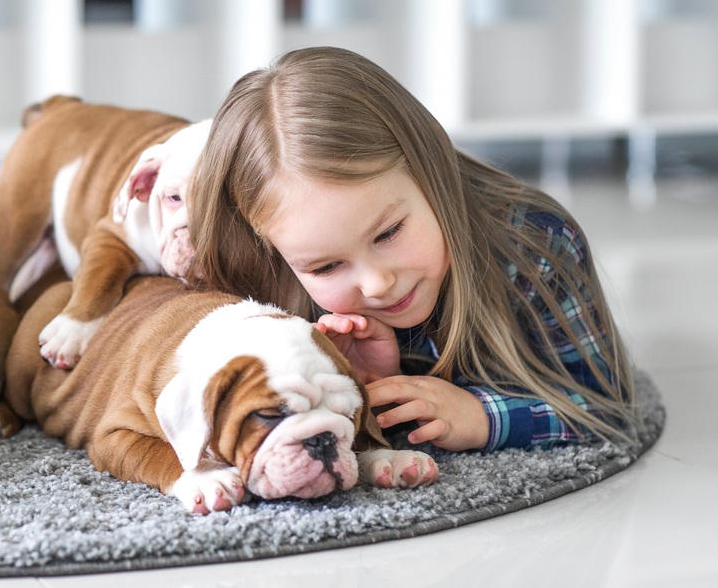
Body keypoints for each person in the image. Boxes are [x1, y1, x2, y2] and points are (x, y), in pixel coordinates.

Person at [189, 46, 639, 453]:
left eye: (387, 234)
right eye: (326, 267)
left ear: (429, 170)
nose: (377, 283)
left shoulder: (536, 243)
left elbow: (606, 406)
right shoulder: (263, 278)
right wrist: (351, 383)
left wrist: (481, 416)